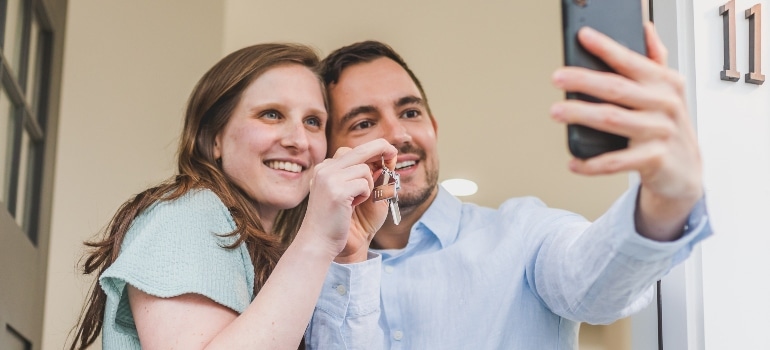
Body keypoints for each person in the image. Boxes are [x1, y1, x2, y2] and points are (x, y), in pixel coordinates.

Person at [313, 23, 712, 349]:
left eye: (411, 111)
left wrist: (663, 203)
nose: (398, 134)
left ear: (433, 128)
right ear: (331, 153)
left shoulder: (525, 233)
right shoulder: (307, 274)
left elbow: (595, 286)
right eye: (364, 122)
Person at [68, 43, 397, 349]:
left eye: (313, 121)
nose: (299, 140)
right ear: (214, 138)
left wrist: (351, 248)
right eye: (271, 114)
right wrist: (317, 240)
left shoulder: (277, 253)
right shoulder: (189, 213)